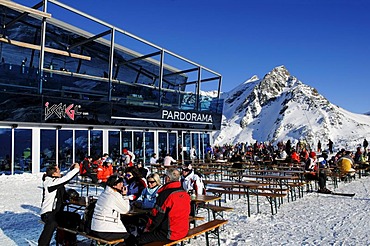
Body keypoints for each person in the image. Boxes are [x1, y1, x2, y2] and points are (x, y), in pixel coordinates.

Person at [136, 168, 190, 245]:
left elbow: (156, 216)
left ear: (167, 178)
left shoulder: (166, 194)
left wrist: (147, 228)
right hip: (183, 230)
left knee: (140, 239)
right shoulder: (183, 192)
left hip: (170, 233)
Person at [38, 163, 80, 246]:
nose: (60, 172)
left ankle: (68, 241)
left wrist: (71, 169)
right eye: (58, 171)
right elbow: (65, 178)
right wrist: (76, 169)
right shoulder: (49, 182)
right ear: (54, 174)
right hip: (48, 213)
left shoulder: (54, 180)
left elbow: (63, 177)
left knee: (75, 217)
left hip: (57, 213)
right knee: (52, 224)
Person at [91, 174, 132, 244]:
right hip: (105, 230)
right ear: (114, 185)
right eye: (120, 183)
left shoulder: (104, 193)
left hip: (95, 228)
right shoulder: (114, 195)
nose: (122, 184)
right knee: (130, 238)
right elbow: (126, 210)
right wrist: (125, 196)